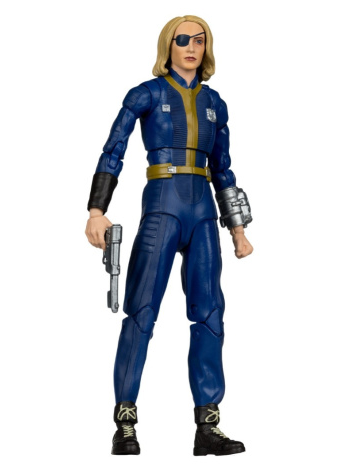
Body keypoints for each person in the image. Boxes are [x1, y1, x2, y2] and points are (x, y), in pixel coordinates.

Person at [85, 15, 253, 456]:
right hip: (162, 204)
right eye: (182, 40)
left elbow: (224, 169)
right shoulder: (146, 93)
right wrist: (96, 209)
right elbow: (114, 149)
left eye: (200, 40)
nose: (191, 47)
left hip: (203, 212)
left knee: (210, 314)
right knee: (141, 311)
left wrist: (237, 228)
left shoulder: (215, 102)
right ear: (168, 45)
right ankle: (125, 423)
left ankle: (208, 426)